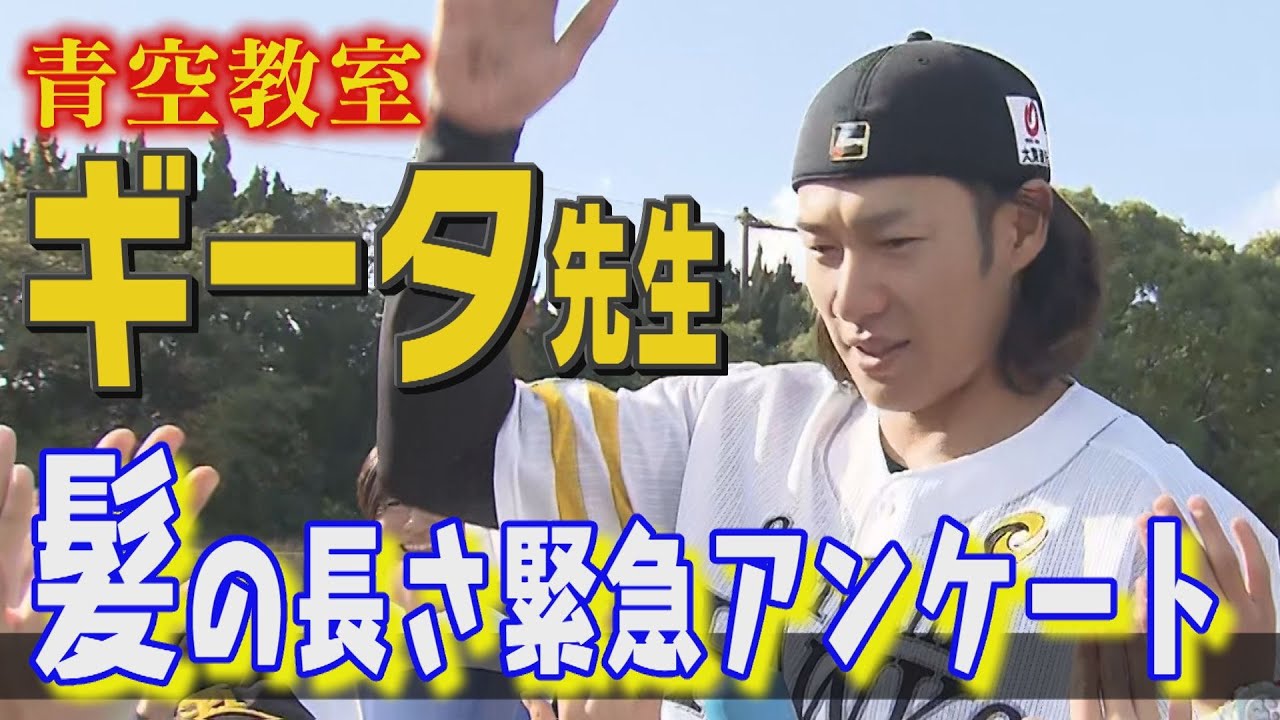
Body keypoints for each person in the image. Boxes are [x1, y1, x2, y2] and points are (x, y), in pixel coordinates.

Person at [376, 3, 1280, 720]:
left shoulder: (1169, 538)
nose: (851, 298)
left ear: (1021, 227)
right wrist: (469, 142)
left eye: (897, 243)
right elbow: (442, 458)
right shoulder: (730, 431)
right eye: (822, 247)